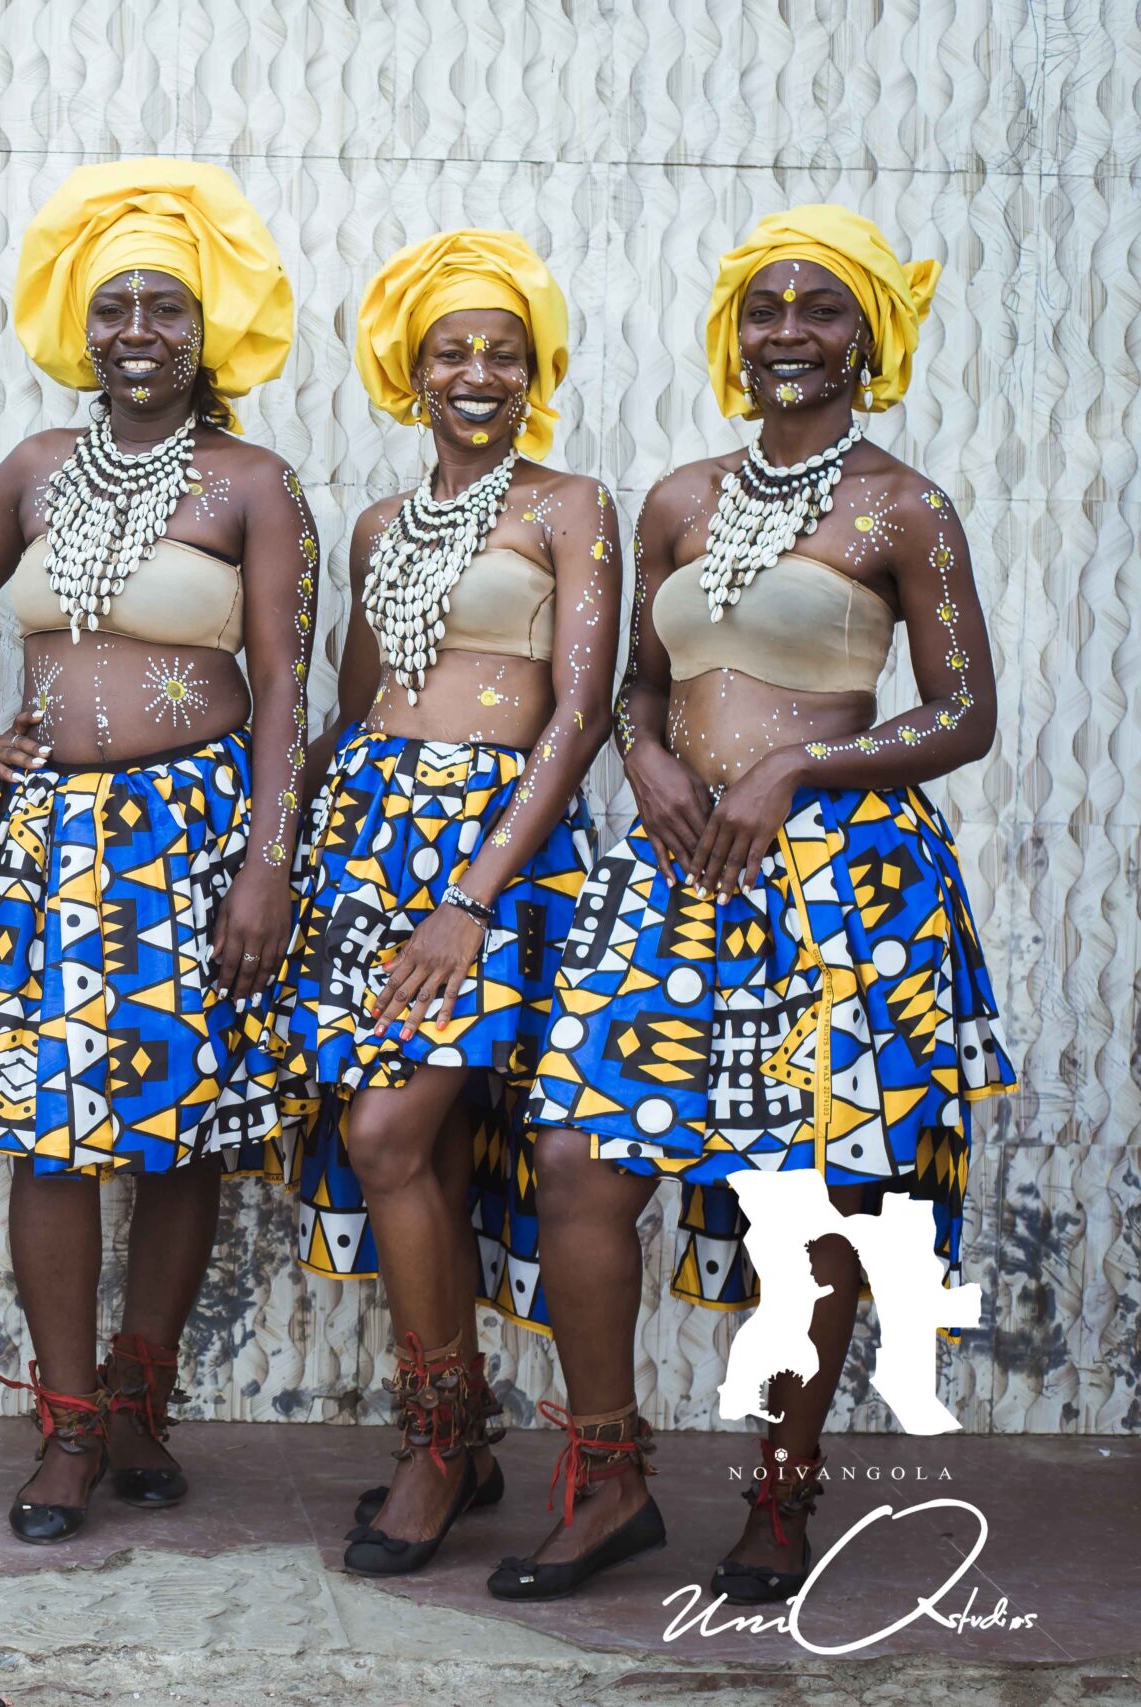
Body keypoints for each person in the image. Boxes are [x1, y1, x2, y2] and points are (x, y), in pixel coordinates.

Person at [494, 206, 1014, 1601]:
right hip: (674, 871)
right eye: (766, 308)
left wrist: (798, 766)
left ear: (867, 338)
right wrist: (649, 759)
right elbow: (639, 686)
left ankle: (782, 1493)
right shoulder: (681, 498)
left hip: (839, 881)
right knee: (578, 1159)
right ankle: (609, 1483)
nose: (789, 331)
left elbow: (964, 714)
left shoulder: (905, 508)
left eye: (821, 309)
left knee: (811, 1193)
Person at [0, 159, 316, 1544]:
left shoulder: (254, 482)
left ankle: (142, 1405)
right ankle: (69, 1427)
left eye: (166, 307)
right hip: (46, 845)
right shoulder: (35, 468)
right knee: (52, 1135)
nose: (138, 330)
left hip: (193, 841)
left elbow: (285, 689)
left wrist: (268, 866)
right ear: (81, 328)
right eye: (114, 307)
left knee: (178, 1134)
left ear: (209, 331)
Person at [276, 230, 620, 1576]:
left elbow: (581, 712)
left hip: (499, 853)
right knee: (388, 1145)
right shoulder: (378, 526)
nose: (476, 372)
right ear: (408, 372)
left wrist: (471, 899)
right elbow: (358, 702)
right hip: (372, 850)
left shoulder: (572, 505)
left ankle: (452, 1444)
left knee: (392, 1127)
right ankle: (451, 1441)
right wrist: (267, 837)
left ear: (536, 371)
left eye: (502, 352)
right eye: (450, 351)